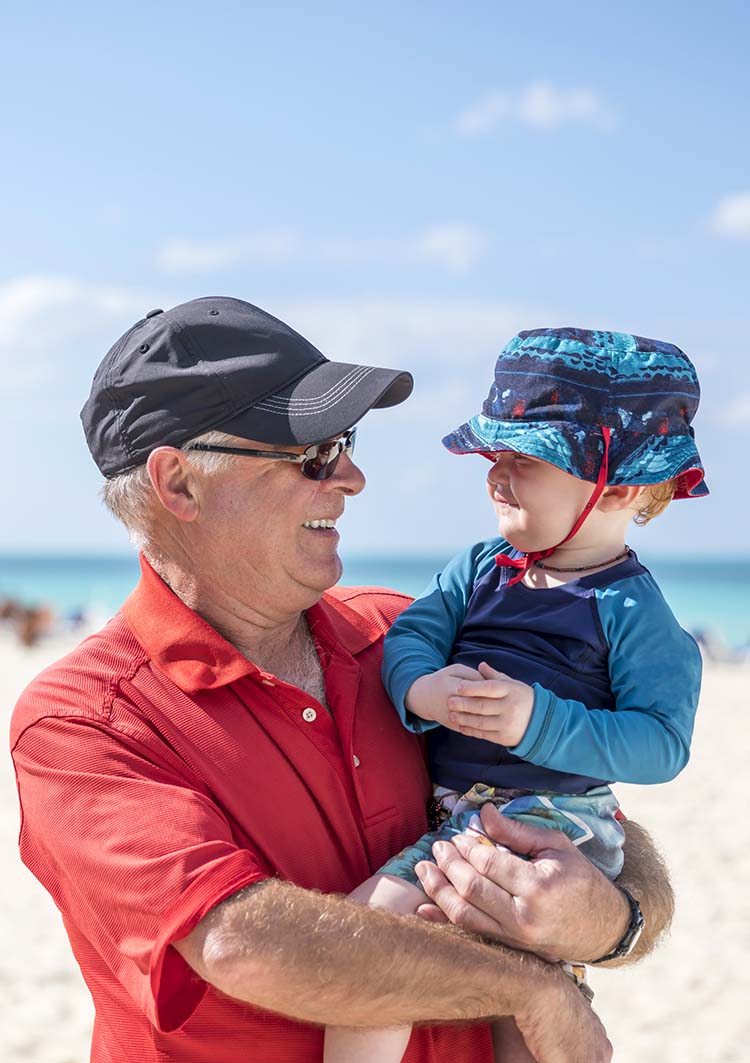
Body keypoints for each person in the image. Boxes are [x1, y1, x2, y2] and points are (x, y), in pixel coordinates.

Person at [10, 301, 673, 1063]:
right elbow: (243, 941)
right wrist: (530, 986)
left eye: (346, 443)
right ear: (179, 483)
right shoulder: (83, 720)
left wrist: (613, 918)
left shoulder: (409, 640)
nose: (353, 478)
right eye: (313, 454)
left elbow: (597, 817)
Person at [323, 326, 705, 1063]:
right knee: (517, 991)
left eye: (523, 460)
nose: (495, 475)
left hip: (553, 819)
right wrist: (423, 689)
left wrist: (540, 720)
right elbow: (411, 639)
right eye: (493, 457)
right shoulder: (480, 568)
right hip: (464, 808)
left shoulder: (632, 610)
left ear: (617, 486)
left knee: (369, 936)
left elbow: (661, 743)